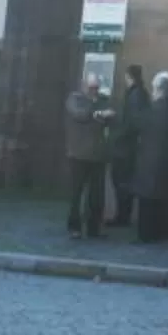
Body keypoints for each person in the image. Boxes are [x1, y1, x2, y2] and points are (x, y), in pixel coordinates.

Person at [133, 70, 168, 241]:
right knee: (164, 198)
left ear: (158, 89)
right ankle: (163, 231)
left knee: (148, 201)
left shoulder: (154, 109)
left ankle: (146, 235)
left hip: (150, 161)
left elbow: (137, 124)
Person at [63, 74, 114, 239]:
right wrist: (98, 113)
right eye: (91, 88)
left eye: (96, 88)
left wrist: (104, 115)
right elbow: (80, 114)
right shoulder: (74, 99)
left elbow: (112, 115)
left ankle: (94, 228)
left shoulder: (102, 99)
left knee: (96, 195)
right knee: (76, 194)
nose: (94, 91)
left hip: (98, 155)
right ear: (84, 86)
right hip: (78, 154)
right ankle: (74, 227)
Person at [111, 66, 150, 233]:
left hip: (126, 147)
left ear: (129, 77)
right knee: (123, 182)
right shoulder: (140, 93)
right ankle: (123, 215)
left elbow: (131, 121)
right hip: (130, 146)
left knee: (121, 181)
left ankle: (122, 216)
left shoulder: (135, 94)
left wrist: (117, 136)